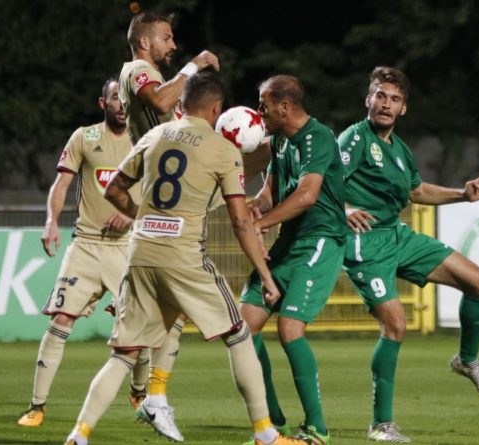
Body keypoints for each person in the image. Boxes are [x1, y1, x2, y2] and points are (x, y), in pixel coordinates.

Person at [64, 71, 304, 445]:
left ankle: (78, 436)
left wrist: (142, 216)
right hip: (184, 256)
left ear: (180, 104)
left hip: (140, 253)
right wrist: (266, 277)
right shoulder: (224, 150)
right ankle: (266, 435)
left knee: (125, 354)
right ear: (217, 109)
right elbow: (241, 224)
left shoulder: (154, 135)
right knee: (239, 335)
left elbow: (113, 189)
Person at [337, 66, 479, 443]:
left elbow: (417, 192)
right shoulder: (354, 139)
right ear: (368, 100)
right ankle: (381, 425)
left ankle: (467, 360)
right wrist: (344, 208)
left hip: (397, 234)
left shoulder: (400, 150)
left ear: (403, 109)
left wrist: (463, 193)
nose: (386, 104)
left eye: (394, 99)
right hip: (365, 241)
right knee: (395, 325)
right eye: (380, 96)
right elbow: (326, 186)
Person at [16, 77, 150, 427]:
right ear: (102, 103)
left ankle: (139, 393)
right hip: (86, 246)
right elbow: (61, 183)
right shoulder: (84, 137)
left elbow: (157, 192)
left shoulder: (146, 139)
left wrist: (132, 212)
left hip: (128, 249)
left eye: (125, 99)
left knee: (139, 327)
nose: (121, 104)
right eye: (114, 98)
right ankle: (37, 406)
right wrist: (50, 221)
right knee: (60, 321)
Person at [117, 11, 220, 439]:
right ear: (145, 42)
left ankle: (149, 395)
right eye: (166, 37)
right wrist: (196, 64)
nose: (172, 45)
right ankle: (147, 397)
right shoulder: (138, 71)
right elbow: (159, 102)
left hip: (169, 206)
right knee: (163, 317)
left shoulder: (159, 79)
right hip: (165, 215)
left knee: (165, 317)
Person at [239, 75, 346, 445]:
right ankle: (272, 422)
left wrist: (262, 224)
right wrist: (256, 208)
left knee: (289, 329)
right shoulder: (280, 141)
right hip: (289, 241)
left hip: (320, 240)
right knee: (243, 327)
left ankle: (318, 428)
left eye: (263, 103)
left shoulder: (319, 137)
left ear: (284, 107)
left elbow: (306, 196)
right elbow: (271, 189)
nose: (258, 110)